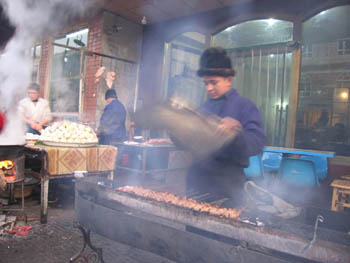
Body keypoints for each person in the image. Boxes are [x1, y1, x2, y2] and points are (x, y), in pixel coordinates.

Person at [185, 47, 266, 208]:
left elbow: (257, 143)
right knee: (193, 230)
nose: (208, 88)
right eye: (206, 83)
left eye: (213, 82)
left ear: (229, 79)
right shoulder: (203, 108)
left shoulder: (245, 106)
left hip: (227, 187)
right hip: (198, 183)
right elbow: (192, 143)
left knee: (222, 228)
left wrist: (237, 132)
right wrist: (177, 130)